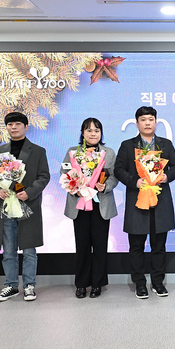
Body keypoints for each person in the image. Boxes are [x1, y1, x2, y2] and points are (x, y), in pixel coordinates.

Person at [115, 107, 175, 299]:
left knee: (159, 246)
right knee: (136, 246)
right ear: (137, 124)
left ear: (156, 122)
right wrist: (135, 182)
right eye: (143, 119)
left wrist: (167, 177)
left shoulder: (165, 144)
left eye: (151, 119)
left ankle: (158, 282)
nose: (147, 123)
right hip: (138, 202)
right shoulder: (127, 145)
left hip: (160, 202)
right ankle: (140, 284)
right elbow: (118, 169)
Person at [0, 112, 50, 302]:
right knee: (8, 249)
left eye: (17, 124)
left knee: (29, 249)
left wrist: (29, 192)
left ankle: (29, 285)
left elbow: (44, 176)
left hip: (28, 204)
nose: (13, 127)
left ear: (26, 126)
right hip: (6, 206)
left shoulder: (38, 151)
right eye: (10, 124)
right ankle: (11, 285)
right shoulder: (0, 151)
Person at [61, 118, 118, 299]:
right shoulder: (72, 152)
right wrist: (75, 187)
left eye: (97, 130)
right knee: (82, 246)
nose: (93, 134)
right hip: (79, 204)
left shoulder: (109, 152)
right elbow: (64, 174)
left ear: (101, 133)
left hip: (101, 204)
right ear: (82, 133)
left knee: (100, 246)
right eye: (89, 130)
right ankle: (81, 284)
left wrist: (105, 186)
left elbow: (114, 176)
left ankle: (97, 284)